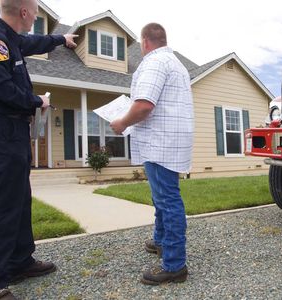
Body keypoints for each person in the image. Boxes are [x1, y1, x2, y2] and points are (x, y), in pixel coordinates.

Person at [0, 0, 77, 299]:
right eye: (36, 14)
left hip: (13, 129)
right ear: (25, 13)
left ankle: (20, 262)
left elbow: (34, 41)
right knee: (2, 203)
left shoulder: (11, 39)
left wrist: (60, 39)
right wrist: (37, 101)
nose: (36, 19)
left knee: (20, 197)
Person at [110, 22, 194, 285]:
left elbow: (144, 105)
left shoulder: (154, 62)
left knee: (167, 200)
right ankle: (160, 241)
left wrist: (121, 122)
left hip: (160, 143)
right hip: (171, 141)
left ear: (145, 42)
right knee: (163, 197)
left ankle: (174, 265)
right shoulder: (176, 64)